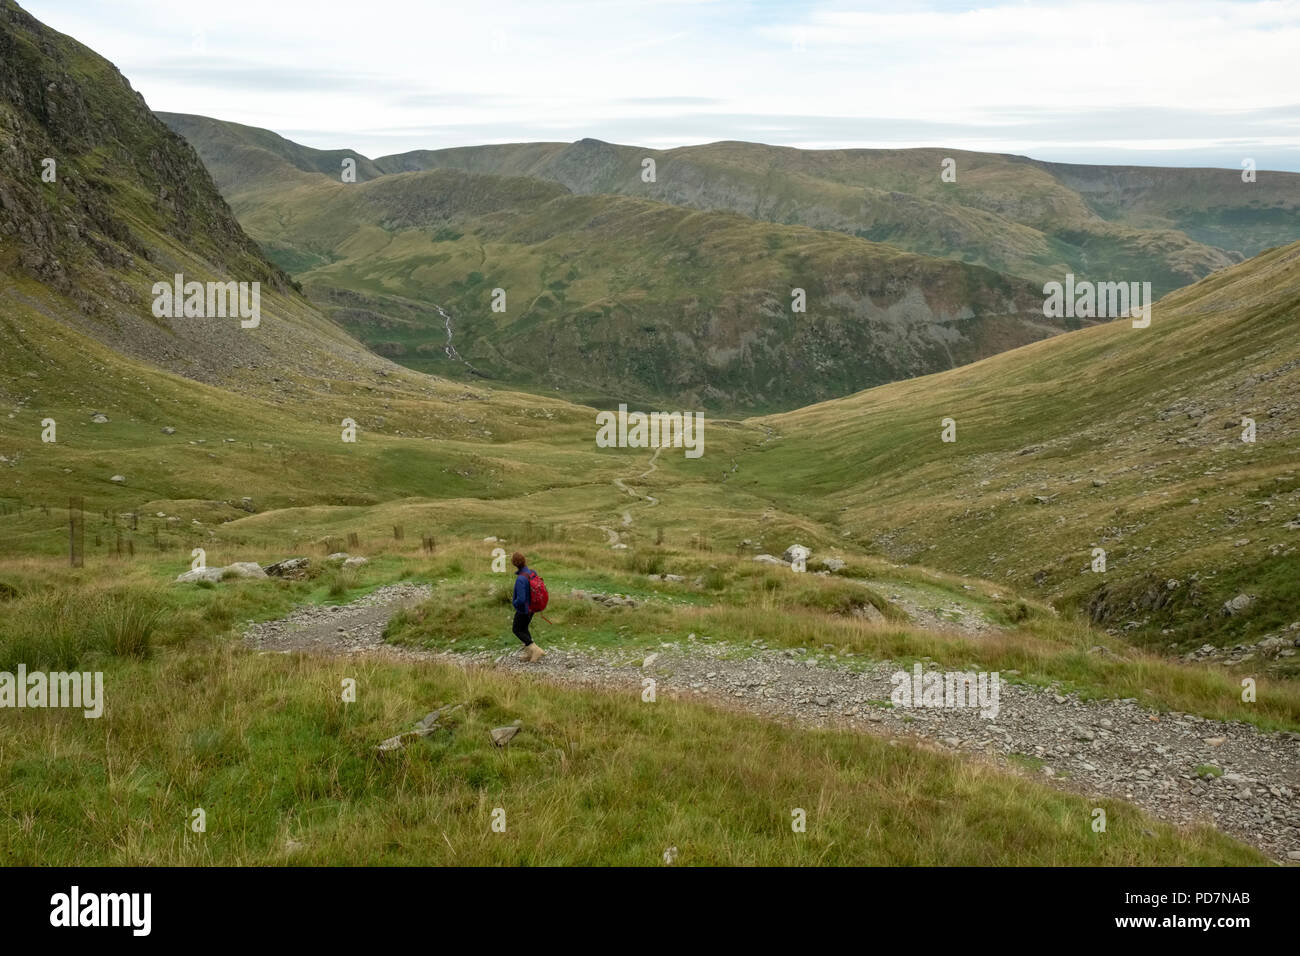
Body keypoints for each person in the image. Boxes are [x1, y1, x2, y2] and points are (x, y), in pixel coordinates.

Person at [511, 551, 545, 661]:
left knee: (516, 629)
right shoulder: (532, 572)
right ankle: (529, 653)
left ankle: (535, 649)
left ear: (514, 564)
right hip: (533, 607)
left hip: (524, 609)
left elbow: (521, 599)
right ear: (525, 561)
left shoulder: (521, 579)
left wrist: (514, 603)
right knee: (524, 628)